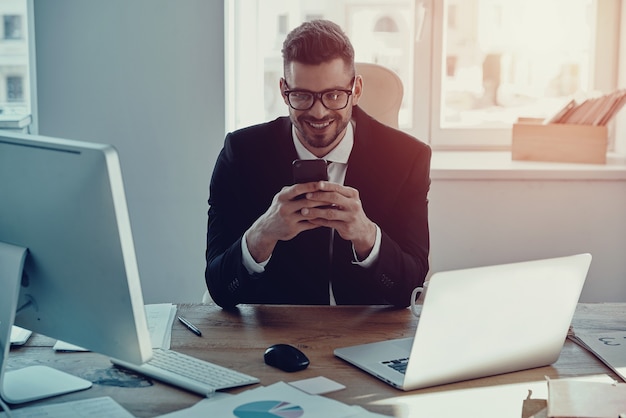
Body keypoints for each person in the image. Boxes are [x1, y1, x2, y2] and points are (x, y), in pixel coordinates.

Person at [205, 19, 431, 309]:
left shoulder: (407, 158)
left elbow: (409, 288)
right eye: (302, 96)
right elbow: (219, 288)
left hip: (366, 333)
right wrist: (263, 233)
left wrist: (366, 235)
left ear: (356, 90)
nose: (319, 111)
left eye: (334, 95)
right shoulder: (240, 154)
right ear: (284, 91)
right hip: (273, 335)